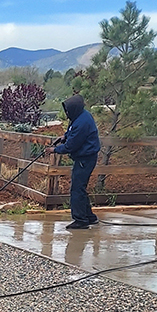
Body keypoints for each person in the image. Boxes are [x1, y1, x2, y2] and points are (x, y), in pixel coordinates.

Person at [53, 94, 100, 230]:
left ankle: (80, 220)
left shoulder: (82, 122)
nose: (66, 113)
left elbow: (71, 146)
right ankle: (89, 217)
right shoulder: (80, 116)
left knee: (77, 189)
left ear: (74, 109)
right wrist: (64, 136)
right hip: (84, 157)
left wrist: (55, 149)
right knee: (80, 188)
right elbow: (72, 133)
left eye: (67, 110)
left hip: (85, 159)